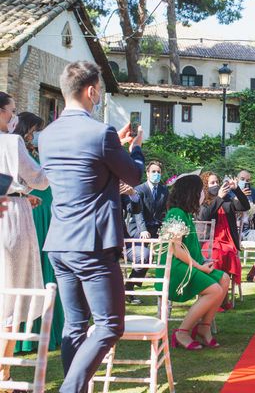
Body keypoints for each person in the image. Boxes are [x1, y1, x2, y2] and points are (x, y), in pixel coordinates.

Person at [38, 61, 145, 393]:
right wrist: (135, 147)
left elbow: (84, 171)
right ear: (91, 91)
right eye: (98, 92)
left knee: (74, 325)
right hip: (92, 243)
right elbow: (134, 176)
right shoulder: (101, 133)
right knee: (110, 325)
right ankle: (70, 389)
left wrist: (116, 145)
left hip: (59, 242)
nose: (98, 98)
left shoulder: (46, 135)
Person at [0, 92, 49, 384]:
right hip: (10, 219)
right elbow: (39, 179)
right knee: (11, 296)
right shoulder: (11, 142)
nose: (14, 118)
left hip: (13, 203)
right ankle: (3, 373)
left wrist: (21, 194)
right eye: (10, 112)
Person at [156, 175, 230, 350]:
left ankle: (204, 328)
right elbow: (176, 249)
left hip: (189, 265)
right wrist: (199, 267)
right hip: (175, 268)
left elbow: (191, 247)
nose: (203, 195)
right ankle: (182, 332)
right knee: (214, 290)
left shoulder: (187, 214)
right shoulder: (176, 213)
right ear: (192, 193)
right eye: (201, 191)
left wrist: (204, 262)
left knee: (224, 279)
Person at [13, 112, 65, 353]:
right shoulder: (15, 149)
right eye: (32, 130)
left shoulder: (32, 152)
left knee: (48, 270)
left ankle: (48, 328)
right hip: (32, 214)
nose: (33, 135)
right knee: (29, 270)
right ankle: (24, 334)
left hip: (47, 211)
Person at [125, 161, 168, 303]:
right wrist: (143, 230)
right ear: (148, 173)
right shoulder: (139, 189)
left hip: (156, 228)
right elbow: (138, 213)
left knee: (168, 252)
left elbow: (163, 212)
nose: (156, 174)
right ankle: (129, 289)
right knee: (144, 256)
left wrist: (166, 229)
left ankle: (167, 288)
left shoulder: (164, 190)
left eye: (159, 172)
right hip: (138, 229)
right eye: (153, 172)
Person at [197, 177, 249, 297]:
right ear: (206, 185)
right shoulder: (203, 201)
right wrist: (218, 198)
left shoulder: (227, 200)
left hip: (228, 241)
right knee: (216, 253)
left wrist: (237, 190)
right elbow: (204, 216)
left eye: (217, 182)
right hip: (208, 240)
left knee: (226, 252)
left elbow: (245, 206)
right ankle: (214, 293)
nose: (216, 185)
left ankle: (221, 295)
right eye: (212, 183)